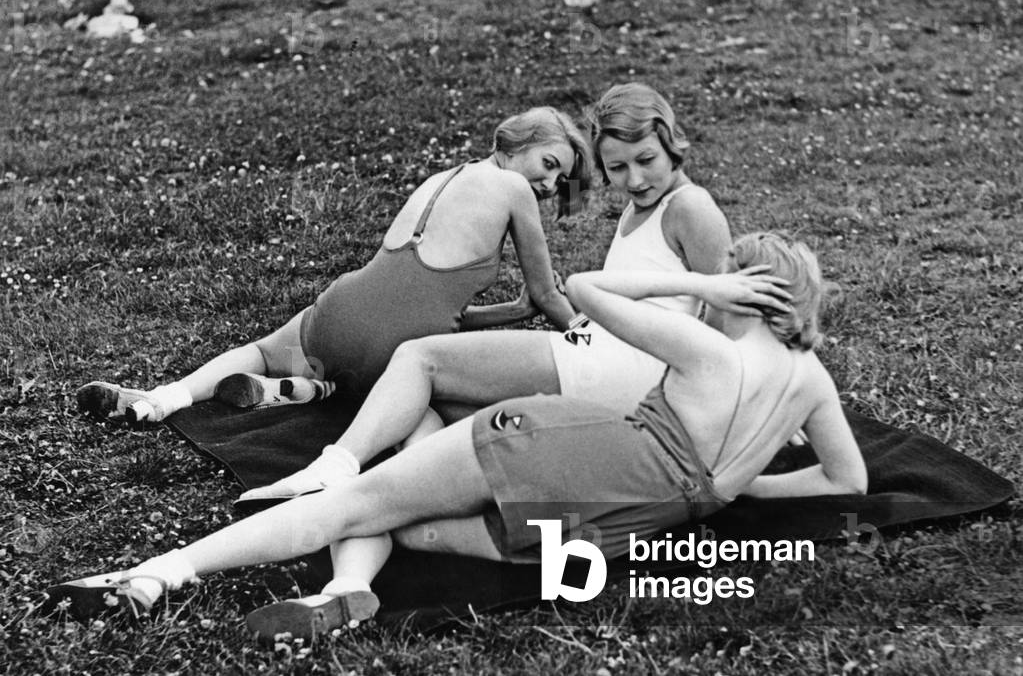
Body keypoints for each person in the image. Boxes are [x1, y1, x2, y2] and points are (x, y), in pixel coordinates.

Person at [44, 232, 868, 641]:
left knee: (353, 500)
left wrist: (695, 279)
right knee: (399, 520)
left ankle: (158, 572)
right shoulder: (811, 384)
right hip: (633, 519)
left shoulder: (710, 348)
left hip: (570, 445)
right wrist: (745, 487)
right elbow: (845, 484)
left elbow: (584, 286)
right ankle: (343, 599)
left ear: (745, 290)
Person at [237, 82, 733, 504]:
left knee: (419, 359)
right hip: (605, 356)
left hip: (624, 366)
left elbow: (729, 319)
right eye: (618, 168)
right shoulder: (643, 206)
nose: (634, 179)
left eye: (645, 159)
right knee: (437, 405)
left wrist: (711, 407)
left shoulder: (692, 207)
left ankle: (337, 469)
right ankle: (428, 485)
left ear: (673, 142)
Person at [75, 107, 593, 424]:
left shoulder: (443, 176)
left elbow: (428, 296)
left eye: (558, 180)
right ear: (520, 142)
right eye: (549, 165)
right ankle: (313, 392)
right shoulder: (511, 188)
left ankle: (163, 400)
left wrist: (516, 310)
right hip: (399, 350)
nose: (549, 186)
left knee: (258, 351)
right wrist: (589, 333)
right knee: (454, 403)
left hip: (340, 313)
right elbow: (547, 299)